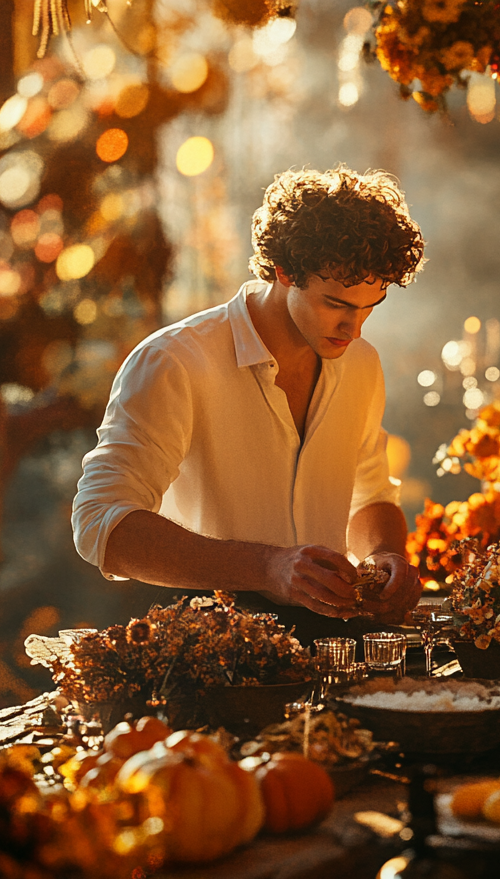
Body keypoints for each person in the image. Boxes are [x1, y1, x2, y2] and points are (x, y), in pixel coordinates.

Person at [72, 166, 425, 641]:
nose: (354, 329)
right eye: (336, 304)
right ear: (284, 272)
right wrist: (268, 567)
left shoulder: (361, 362)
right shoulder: (175, 361)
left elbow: (371, 492)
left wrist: (383, 555)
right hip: (207, 648)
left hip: (333, 647)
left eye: (369, 307)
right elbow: (101, 525)